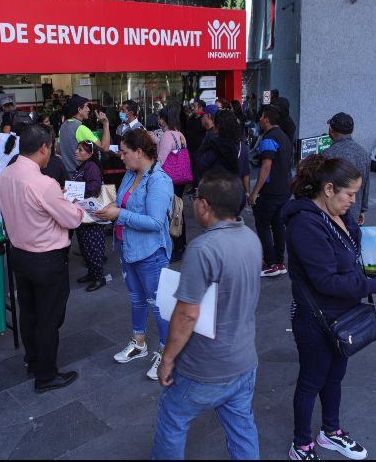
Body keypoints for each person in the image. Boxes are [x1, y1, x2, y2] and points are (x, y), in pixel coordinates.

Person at [283, 154, 376, 461]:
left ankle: (331, 431)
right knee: (312, 380)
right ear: (328, 189)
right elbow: (326, 281)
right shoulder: (305, 222)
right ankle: (301, 445)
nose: (354, 201)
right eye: (349, 194)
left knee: (335, 375)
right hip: (316, 317)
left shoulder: (340, 215)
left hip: (344, 312)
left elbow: (352, 260)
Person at [151, 170, 262, 460]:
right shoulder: (251, 238)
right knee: (242, 429)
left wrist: (168, 359)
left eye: (196, 197)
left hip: (204, 368)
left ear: (204, 205)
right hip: (244, 360)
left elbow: (187, 315)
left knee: (172, 421)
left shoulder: (203, 248)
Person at [0, 124, 84, 393]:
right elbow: (72, 218)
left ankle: (33, 360)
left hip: (19, 255)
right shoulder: (43, 183)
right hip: (46, 259)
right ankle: (46, 375)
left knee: (30, 313)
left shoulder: (6, 175)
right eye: (51, 148)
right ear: (44, 148)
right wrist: (74, 207)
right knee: (49, 318)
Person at [94, 129, 174, 381]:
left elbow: (154, 221)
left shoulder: (159, 180)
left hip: (151, 252)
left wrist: (119, 215)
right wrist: (108, 210)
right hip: (129, 248)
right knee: (137, 299)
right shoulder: (131, 174)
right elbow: (122, 204)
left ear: (139, 152)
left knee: (159, 305)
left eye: (125, 152)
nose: (121, 156)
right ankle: (139, 343)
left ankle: (166, 352)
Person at [249, 105, 292, 277]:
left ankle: (270, 263)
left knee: (263, 225)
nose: (259, 120)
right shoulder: (284, 137)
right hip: (285, 188)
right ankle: (280, 262)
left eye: (260, 117)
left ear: (266, 118)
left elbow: (266, 166)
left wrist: (255, 192)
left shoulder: (269, 138)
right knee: (278, 225)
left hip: (271, 191)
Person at [152, 104, 189, 262]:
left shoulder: (167, 135)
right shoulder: (179, 134)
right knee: (179, 209)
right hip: (181, 177)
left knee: (173, 212)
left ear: (165, 119)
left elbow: (161, 159)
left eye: (160, 117)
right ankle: (182, 244)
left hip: (170, 179)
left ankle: (177, 246)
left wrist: (151, 172)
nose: (159, 120)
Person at [324, 112, 371, 224]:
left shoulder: (329, 154)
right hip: (354, 212)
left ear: (330, 129)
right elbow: (366, 183)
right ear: (352, 130)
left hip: (333, 214)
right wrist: (362, 209)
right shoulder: (363, 153)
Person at [72, 141, 106, 292]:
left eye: (80, 150)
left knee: (93, 247)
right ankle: (92, 274)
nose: (76, 151)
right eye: (77, 149)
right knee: (85, 246)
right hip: (83, 213)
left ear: (90, 154)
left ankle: (99, 278)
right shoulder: (82, 167)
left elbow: (94, 187)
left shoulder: (91, 167)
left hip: (91, 214)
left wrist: (77, 192)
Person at [58, 95, 111, 175]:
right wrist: (106, 124)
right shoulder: (80, 128)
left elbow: (59, 149)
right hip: (81, 177)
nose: (88, 110)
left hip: (68, 176)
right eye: (86, 107)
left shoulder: (63, 126)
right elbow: (105, 148)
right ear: (79, 109)